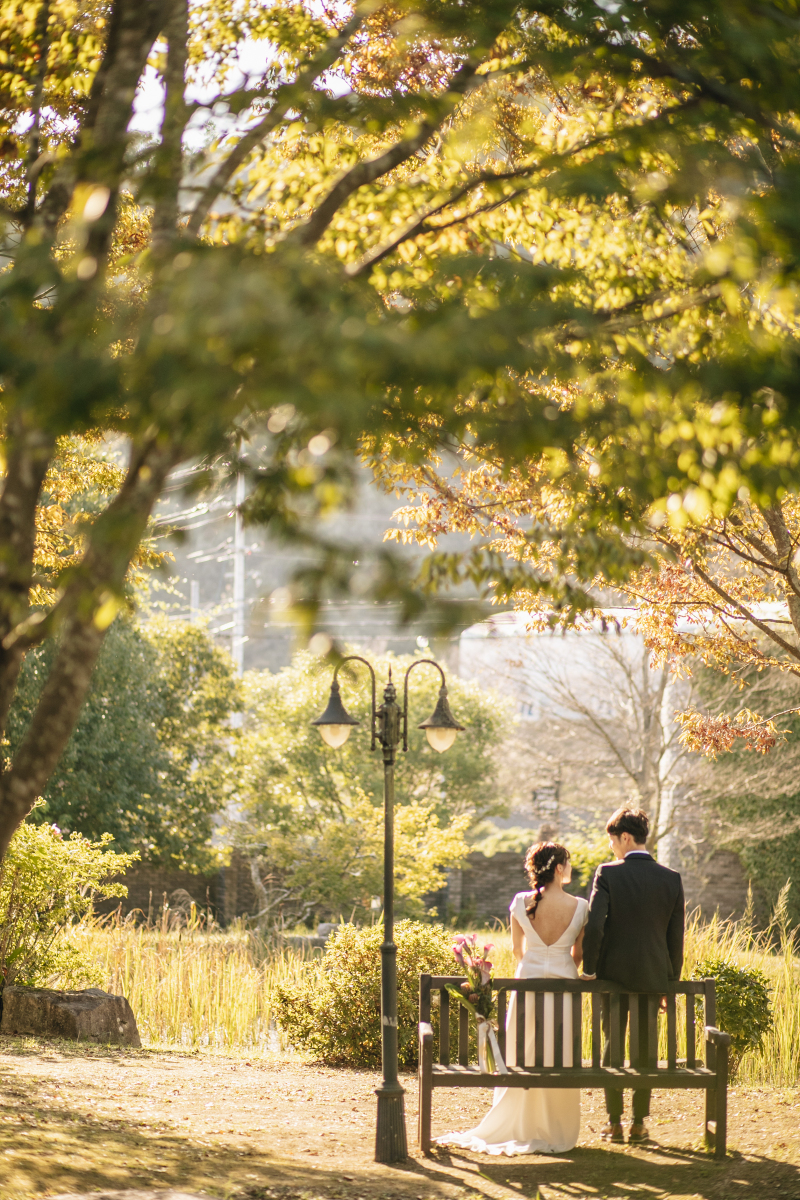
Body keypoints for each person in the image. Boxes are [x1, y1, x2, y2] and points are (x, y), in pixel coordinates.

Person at [437, 841, 589, 1155]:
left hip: (526, 990)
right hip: (564, 992)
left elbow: (519, 951)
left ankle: (518, 1122)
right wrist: (560, 966)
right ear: (559, 867)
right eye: (569, 863)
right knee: (558, 1055)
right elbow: (579, 955)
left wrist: (538, 961)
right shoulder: (581, 906)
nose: (570, 868)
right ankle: (556, 1128)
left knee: (523, 1054)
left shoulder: (520, 902)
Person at [581, 806, 685, 1146]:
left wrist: (591, 969)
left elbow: (595, 926)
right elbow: (675, 938)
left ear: (625, 837)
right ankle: (640, 1123)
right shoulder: (671, 878)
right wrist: (670, 982)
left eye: (612, 840)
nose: (611, 847)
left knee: (613, 1047)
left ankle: (614, 1123)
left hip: (612, 977)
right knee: (646, 1051)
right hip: (654, 976)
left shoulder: (608, 873)